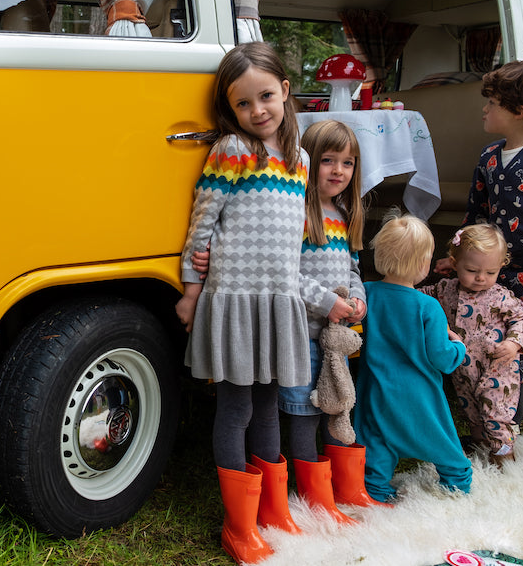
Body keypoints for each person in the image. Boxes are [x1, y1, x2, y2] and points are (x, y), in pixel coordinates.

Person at [175, 43, 346, 564]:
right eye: (243, 103)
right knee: (236, 407)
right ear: (231, 110)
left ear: (285, 92)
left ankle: (274, 510)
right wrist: (190, 288)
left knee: (270, 403)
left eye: (266, 96)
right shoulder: (231, 150)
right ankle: (239, 525)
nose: (257, 111)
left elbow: (291, 243)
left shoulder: (298, 162)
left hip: (278, 300)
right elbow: (202, 221)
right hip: (234, 300)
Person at [192, 119, 385, 520]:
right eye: (327, 160)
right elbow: (280, 272)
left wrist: (359, 298)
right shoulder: (297, 213)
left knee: (336, 406)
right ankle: (305, 499)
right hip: (297, 330)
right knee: (301, 412)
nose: (337, 171)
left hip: (335, 334)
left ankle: (328, 495)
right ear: (307, 164)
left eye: (347, 163)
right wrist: (325, 300)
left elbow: (352, 269)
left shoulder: (346, 214)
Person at [434, 60, 523, 469]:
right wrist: (456, 254)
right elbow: (477, 217)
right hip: (503, 274)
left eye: (492, 103)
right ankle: (499, 433)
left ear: (518, 110)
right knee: (501, 350)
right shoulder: (491, 157)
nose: (484, 109)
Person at [353, 212, 472, 503]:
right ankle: (457, 485)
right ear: (423, 263)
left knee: (377, 441)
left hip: (376, 389)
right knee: (441, 442)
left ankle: (377, 489)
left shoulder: (367, 294)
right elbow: (441, 358)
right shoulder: (428, 306)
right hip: (418, 396)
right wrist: (459, 347)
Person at [420, 224, 523, 467]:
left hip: (497, 367)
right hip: (463, 368)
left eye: (490, 272)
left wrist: (514, 344)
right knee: (470, 408)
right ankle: (481, 441)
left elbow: (521, 317)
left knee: (495, 412)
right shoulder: (445, 289)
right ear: (454, 263)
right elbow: (421, 296)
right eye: (472, 270)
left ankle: (503, 454)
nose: (481, 278)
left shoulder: (499, 295)